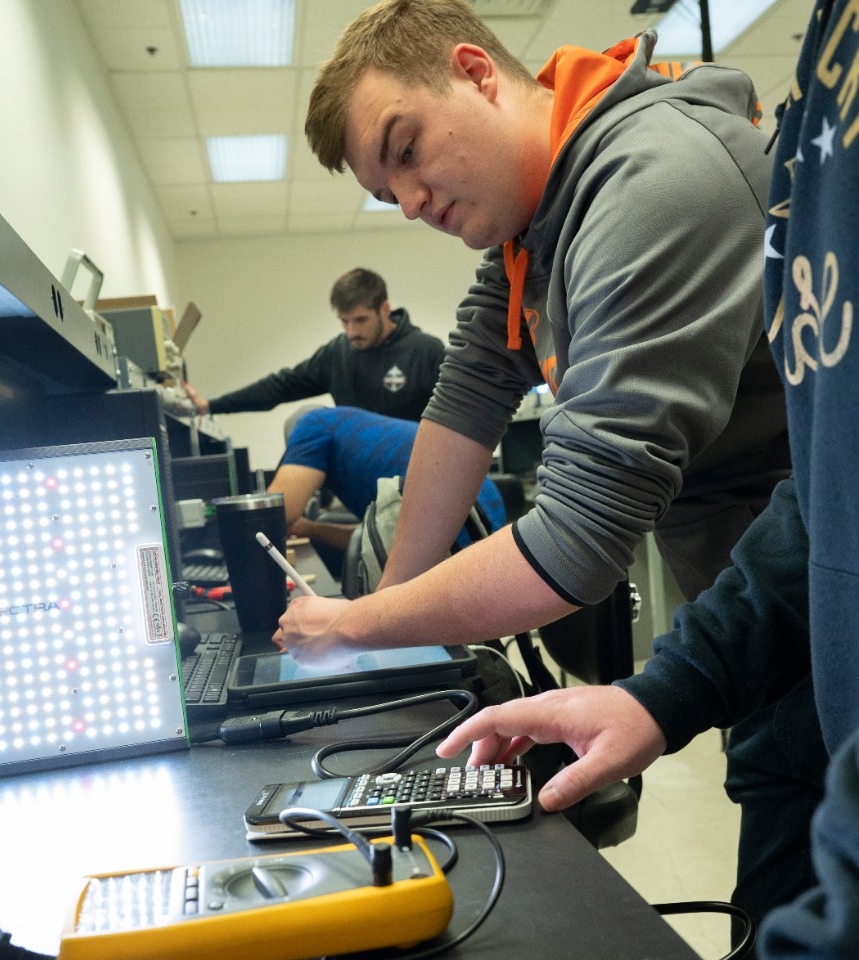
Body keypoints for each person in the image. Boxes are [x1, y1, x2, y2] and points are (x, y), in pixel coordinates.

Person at [437, 0, 859, 954]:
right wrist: (666, 691)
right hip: (835, 731)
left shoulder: (653, 175)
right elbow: (835, 465)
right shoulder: (831, 64)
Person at [284, 0, 817, 923]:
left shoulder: (650, 183)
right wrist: (384, 615)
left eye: (405, 149)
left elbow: (575, 545)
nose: (409, 203)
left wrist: (356, 630)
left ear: (477, 73)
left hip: (837, 623)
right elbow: (468, 396)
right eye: (387, 193)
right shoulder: (535, 223)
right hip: (756, 629)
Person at [190, 268, 445, 422]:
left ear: (385, 309)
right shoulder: (338, 353)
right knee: (305, 418)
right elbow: (281, 386)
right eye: (344, 322)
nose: (352, 331)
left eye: (361, 320)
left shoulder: (426, 351)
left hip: (416, 473)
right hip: (360, 473)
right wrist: (211, 406)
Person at [267, 405, 506, 554]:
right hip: (486, 522)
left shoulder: (311, 424)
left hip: (451, 529)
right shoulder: (354, 431)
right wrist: (310, 529)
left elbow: (272, 515)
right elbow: (375, 539)